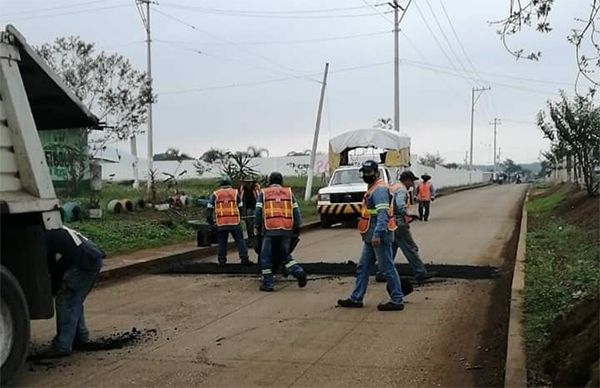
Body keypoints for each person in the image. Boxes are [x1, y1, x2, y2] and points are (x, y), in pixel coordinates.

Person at [337, 160, 405, 311]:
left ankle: (397, 299)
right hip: (370, 235)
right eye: (364, 172)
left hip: (378, 236)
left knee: (387, 268)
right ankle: (356, 298)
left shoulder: (379, 190)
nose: (366, 175)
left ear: (376, 173)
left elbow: (382, 215)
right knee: (363, 267)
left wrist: (377, 234)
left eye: (368, 172)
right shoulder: (373, 188)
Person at [44, 226, 105, 356]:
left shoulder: (45, 237)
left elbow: (51, 264)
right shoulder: (59, 229)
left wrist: (54, 286)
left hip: (84, 262)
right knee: (75, 299)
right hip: (93, 257)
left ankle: (62, 345)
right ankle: (80, 337)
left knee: (66, 300)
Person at [255, 172, 307, 292]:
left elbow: (258, 212)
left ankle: (268, 283)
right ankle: (298, 272)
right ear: (281, 181)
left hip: (270, 230)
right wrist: (298, 227)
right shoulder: (289, 193)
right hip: (286, 230)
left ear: (269, 181)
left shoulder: (263, 193)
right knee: (284, 256)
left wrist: (257, 226)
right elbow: (296, 211)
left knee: (266, 257)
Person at [390, 171, 437, 282]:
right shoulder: (401, 189)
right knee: (410, 248)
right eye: (411, 181)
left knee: (391, 248)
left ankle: (383, 272)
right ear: (406, 180)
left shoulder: (394, 187)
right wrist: (408, 215)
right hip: (399, 223)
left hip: (391, 223)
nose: (412, 184)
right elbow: (400, 204)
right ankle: (420, 272)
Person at [207, 176, 251, 266]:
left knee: (222, 241)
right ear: (229, 183)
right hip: (234, 221)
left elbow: (209, 210)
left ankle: (222, 261)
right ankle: (244, 258)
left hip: (221, 222)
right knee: (240, 240)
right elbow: (241, 207)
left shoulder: (215, 194)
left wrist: (211, 222)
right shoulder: (235, 193)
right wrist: (241, 217)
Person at [240, 178, 261, 246]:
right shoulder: (243, 189)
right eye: (247, 182)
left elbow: (258, 197)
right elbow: (241, 199)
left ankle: (258, 239)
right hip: (248, 209)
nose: (248, 184)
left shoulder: (255, 189)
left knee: (257, 223)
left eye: (250, 182)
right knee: (249, 225)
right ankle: (251, 240)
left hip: (255, 208)